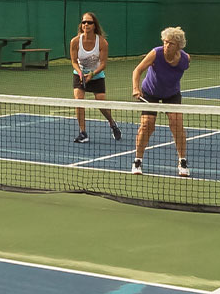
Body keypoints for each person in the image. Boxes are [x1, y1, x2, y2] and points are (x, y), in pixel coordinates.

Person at [129, 27, 193, 178]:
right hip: (150, 93)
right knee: (147, 125)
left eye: (170, 43)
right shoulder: (156, 53)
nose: (166, 46)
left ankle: (182, 162)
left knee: (176, 124)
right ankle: (137, 161)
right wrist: (136, 88)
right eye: (165, 42)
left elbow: (179, 71)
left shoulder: (185, 59)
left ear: (178, 45)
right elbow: (137, 71)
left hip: (171, 94)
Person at [68, 12, 121, 143]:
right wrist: (80, 73)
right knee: (79, 100)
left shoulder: (102, 43)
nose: (86, 24)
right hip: (80, 74)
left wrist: (91, 74)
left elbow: (103, 64)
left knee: (101, 102)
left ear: (94, 25)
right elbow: (74, 61)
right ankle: (83, 132)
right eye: (84, 22)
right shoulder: (75, 41)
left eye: (89, 22)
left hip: (96, 75)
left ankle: (112, 123)